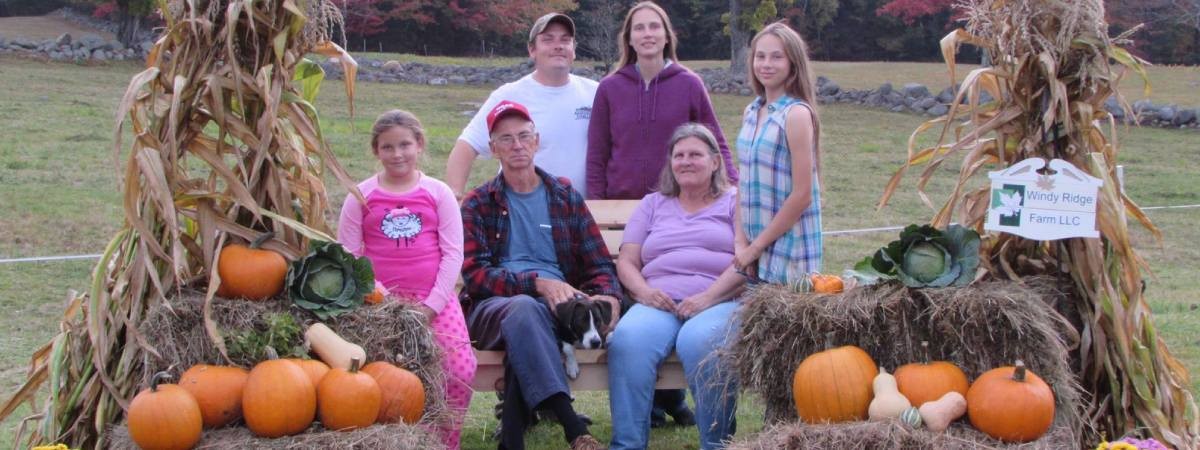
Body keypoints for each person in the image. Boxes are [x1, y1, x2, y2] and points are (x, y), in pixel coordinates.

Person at [460, 100, 621, 450]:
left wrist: (608, 297)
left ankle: (512, 443)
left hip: (555, 313)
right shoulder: (478, 203)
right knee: (524, 308)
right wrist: (536, 284)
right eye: (506, 139)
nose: (517, 145)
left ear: (536, 141)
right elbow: (475, 276)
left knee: (529, 325)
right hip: (492, 310)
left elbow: (600, 265)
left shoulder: (564, 196)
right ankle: (573, 426)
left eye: (523, 136)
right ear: (493, 149)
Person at [336, 110, 476, 450]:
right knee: (382, 378)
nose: (397, 154)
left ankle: (443, 442)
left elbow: (453, 254)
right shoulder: (361, 196)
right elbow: (348, 254)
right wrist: (376, 298)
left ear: (419, 145)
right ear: (376, 151)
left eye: (404, 145)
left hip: (434, 302)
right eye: (387, 147)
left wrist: (432, 305)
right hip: (380, 307)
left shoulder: (437, 193)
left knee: (459, 370)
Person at [607, 123, 745, 450]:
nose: (685, 161)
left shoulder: (735, 202)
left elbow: (747, 261)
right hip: (659, 301)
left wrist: (708, 298)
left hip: (719, 299)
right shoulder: (653, 204)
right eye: (678, 155)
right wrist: (643, 292)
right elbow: (626, 260)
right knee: (628, 340)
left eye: (695, 154)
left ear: (714, 161)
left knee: (702, 341)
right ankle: (627, 444)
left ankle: (716, 443)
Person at [586, 1, 736, 201]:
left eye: (654, 26)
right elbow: (597, 153)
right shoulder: (609, 88)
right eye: (639, 28)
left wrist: (734, 191)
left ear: (667, 36)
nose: (647, 33)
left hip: (677, 202)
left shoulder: (689, 84)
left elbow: (716, 144)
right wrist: (596, 205)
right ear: (629, 39)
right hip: (620, 204)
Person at [446, 12, 598, 200]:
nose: (558, 46)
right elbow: (467, 146)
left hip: (583, 214)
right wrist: (453, 198)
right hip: (522, 211)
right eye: (548, 40)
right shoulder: (509, 95)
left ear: (573, 49)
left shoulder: (595, 93)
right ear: (532, 49)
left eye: (565, 40)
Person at [733, 22, 824, 285]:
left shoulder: (795, 114)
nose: (766, 64)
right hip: (754, 252)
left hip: (788, 253)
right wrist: (741, 242)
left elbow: (802, 194)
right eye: (760, 56)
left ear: (793, 63)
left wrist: (756, 247)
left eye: (776, 57)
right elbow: (744, 179)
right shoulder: (751, 112)